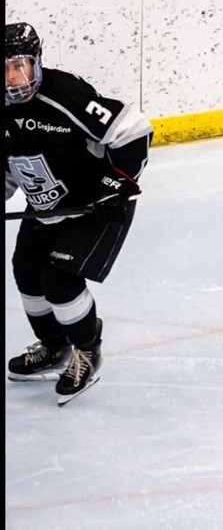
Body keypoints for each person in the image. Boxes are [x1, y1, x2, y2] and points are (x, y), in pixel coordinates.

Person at [5, 22, 152, 405]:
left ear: (37, 62)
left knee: (60, 281)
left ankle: (87, 349)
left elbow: (133, 132)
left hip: (95, 206)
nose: (13, 78)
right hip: (45, 208)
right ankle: (55, 347)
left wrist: (116, 185)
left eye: (19, 66)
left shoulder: (65, 93)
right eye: (3, 69)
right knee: (26, 273)